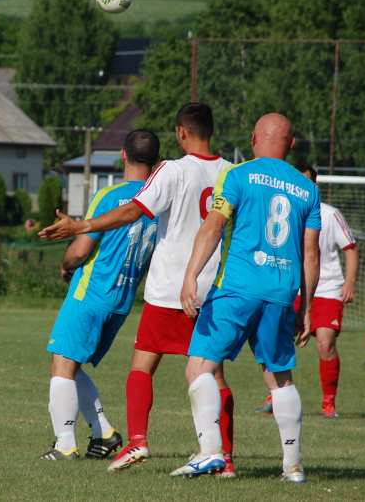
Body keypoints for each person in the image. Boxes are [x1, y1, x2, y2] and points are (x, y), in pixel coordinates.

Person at [40, 103, 237, 476]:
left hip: (161, 290)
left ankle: (127, 441)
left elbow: (131, 212)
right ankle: (224, 456)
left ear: (181, 132)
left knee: (135, 367)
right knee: (213, 374)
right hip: (211, 289)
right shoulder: (231, 173)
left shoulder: (168, 174)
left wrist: (79, 227)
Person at [171, 113, 319, 483]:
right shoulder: (307, 188)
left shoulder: (237, 174)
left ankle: (209, 452)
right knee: (279, 377)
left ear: (254, 137)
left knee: (199, 367)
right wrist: (308, 306)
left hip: (237, 288)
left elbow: (214, 225)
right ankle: (293, 466)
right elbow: (311, 252)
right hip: (282, 293)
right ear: (292, 144)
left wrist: (190, 275)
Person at [39, 130, 160, 461]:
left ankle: (65, 445)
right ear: (156, 161)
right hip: (121, 300)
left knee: (62, 363)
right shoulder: (158, 203)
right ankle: (103, 433)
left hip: (91, 292)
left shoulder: (110, 196)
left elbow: (80, 249)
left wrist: (65, 265)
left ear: (123, 155)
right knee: (72, 364)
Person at [256, 164, 358, 419]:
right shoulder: (283, 210)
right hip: (291, 286)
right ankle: (275, 394)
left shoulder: (330, 214)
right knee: (271, 339)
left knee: (325, 342)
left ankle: (328, 403)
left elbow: (351, 248)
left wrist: (349, 283)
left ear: (315, 186)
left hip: (327, 289)